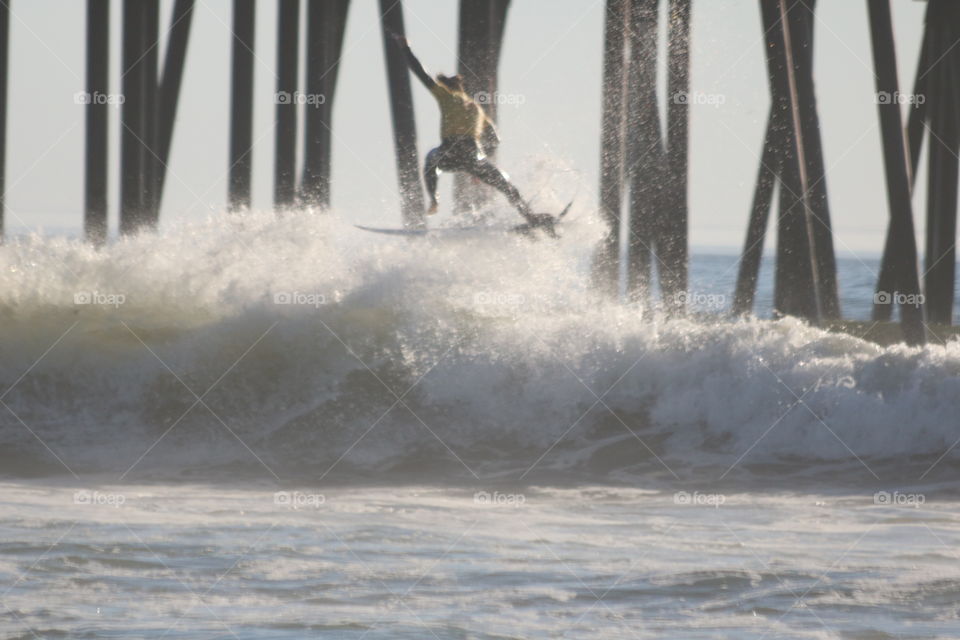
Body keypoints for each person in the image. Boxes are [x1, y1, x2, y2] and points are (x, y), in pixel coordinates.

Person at [390, 32, 538, 224]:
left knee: (430, 160)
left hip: (449, 151)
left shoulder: (446, 96)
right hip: (473, 154)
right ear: (462, 87)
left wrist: (405, 49)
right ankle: (530, 216)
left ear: (448, 86)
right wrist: (481, 164)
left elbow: (421, 74)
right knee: (505, 184)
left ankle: (434, 200)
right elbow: (495, 138)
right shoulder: (478, 108)